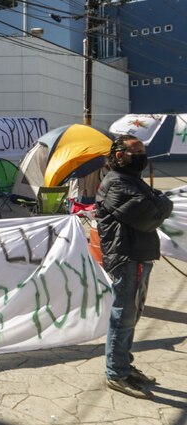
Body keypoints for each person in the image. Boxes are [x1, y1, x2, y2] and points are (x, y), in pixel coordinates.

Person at [96, 134, 173, 399]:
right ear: (119, 155)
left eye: (143, 150)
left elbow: (160, 203)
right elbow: (149, 217)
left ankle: (123, 366)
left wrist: (158, 202)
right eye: (136, 151)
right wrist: (158, 203)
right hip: (127, 256)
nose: (142, 156)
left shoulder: (132, 180)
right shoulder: (116, 183)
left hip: (139, 255)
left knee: (131, 316)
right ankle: (116, 373)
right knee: (123, 317)